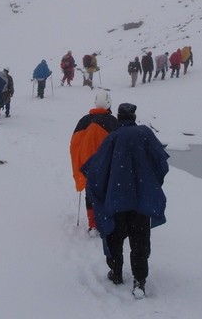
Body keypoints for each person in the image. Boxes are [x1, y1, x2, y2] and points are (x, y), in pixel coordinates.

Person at [81, 103, 169, 298]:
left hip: (118, 199)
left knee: (114, 236)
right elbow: (160, 162)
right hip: (141, 200)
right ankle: (139, 281)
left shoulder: (112, 138)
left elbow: (97, 168)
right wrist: (149, 183)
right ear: (134, 116)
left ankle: (116, 272)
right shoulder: (145, 133)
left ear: (119, 117)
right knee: (140, 241)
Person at [69, 90, 118, 234]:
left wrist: (79, 163)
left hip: (87, 167)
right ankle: (107, 221)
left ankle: (93, 224)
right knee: (107, 193)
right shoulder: (113, 122)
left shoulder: (84, 120)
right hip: (106, 166)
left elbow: (74, 145)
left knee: (90, 195)